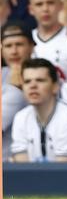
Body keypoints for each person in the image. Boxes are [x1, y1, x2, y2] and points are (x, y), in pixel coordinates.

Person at [10, 58, 67, 162]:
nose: (33, 86)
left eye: (40, 80)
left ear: (55, 86)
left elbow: (62, 170)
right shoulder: (20, 117)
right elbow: (22, 166)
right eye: (27, 81)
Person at [1, 22, 33, 159]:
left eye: (19, 44)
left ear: (31, 46)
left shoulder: (44, 74)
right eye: (8, 46)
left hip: (24, 160)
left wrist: (15, 89)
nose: (14, 51)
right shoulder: (2, 73)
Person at [28, 0, 67, 76]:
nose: (45, 9)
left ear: (61, 5)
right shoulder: (25, 40)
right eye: (39, 4)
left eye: (50, 3)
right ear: (30, 9)